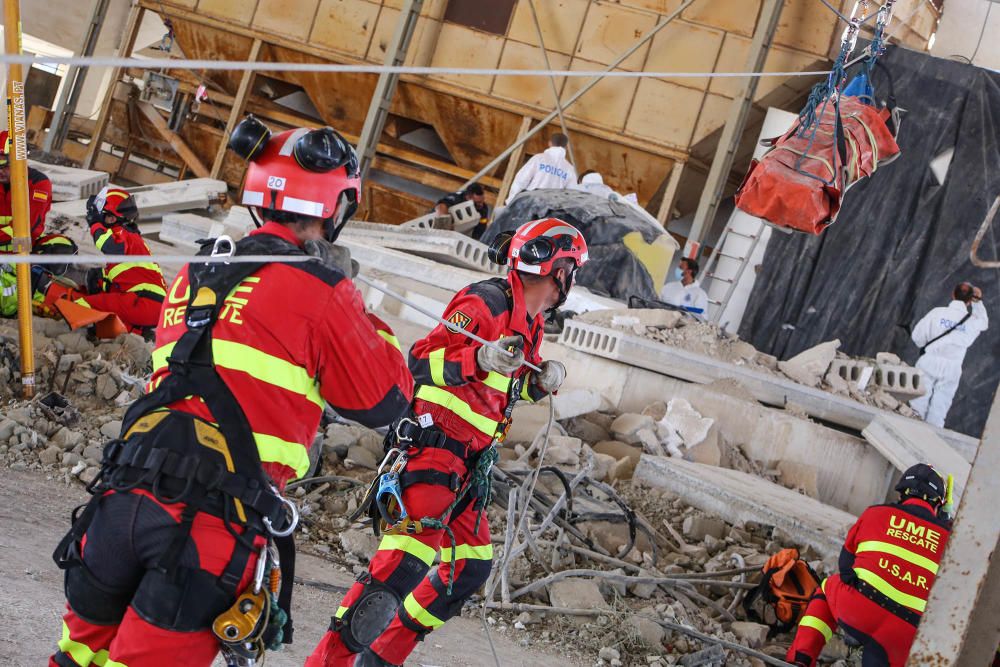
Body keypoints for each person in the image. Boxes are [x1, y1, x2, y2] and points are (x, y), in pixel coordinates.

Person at [49, 117, 414, 667]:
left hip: (117, 503)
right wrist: (362, 312)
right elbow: (384, 399)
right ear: (336, 207)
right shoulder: (323, 291)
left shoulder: (196, 271)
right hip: (206, 524)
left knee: (75, 658)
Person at [308, 217, 589, 667]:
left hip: (470, 463)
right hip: (434, 445)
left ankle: (379, 659)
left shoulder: (531, 323)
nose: (571, 280)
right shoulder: (486, 302)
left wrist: (541, 381)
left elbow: (509, 386)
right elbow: (419, 361)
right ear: (561, 270)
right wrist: (476, 356)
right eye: (573, 270)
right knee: (402, 565)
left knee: (470, 566)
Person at [787, 463, 953, 667]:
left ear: (902, 494)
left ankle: (801, 659)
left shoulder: (876, 513)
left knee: (828, 586)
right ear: (939, 505)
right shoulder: (950, 541)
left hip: (859, 609)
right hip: (906, 634)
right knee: (881, 651)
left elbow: (845, 565)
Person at [34, 187, 167, 335]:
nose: (103, 222)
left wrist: (95, 223)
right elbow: (127, 279)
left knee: (85, 305)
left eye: (104, 217)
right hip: (150, 307)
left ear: (113, 218)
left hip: (142, 301)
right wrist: (99, 281)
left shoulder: (124, 233)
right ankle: (137, 333)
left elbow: (110, 246)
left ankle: (57, 328)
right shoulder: (134, 244)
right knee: (109, 317)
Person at [909, 282, 988, 427]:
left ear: (952, 294)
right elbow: (983, 323)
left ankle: (909, 431)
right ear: (970, 301)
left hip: (929, 360)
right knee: (939, 409)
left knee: (918, 401)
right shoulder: (971, 322)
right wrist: (978, 303)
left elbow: (917, 337)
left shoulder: (937, 313)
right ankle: (929, 441)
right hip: (952, 367)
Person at [0, 130, 78, 269]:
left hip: (21, 253)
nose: (0, 170)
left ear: (20, 161)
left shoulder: (38, 184)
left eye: (5, 165)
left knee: (62, 246)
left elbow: (28, 227)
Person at [505, 133, 577, 204]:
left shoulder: (538, 159)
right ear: (566, 147)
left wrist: (510, 201)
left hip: (530, 205)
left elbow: (521, 180)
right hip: (551, 210)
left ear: (550, 143)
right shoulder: (569, 169)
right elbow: (571, 195)